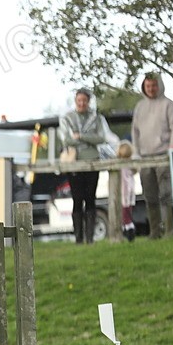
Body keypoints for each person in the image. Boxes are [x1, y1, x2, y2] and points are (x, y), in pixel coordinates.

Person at [131, 72, 173, 239]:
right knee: (149, 196)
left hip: (164, 156)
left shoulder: (169, 106)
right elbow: (135, 132)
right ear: (144, 87)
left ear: (159, 85)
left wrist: (172, 151)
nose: (151, 89)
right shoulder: (139, 107)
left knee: (167, 194)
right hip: (145, 158)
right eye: (148, 86)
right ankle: (154, 232)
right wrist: (136, 153)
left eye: (154, 85)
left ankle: (170, 231)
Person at [58, 88, 109, 244]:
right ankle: (79, 239)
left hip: (92, 161)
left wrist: (81, 136)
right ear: (75, 101)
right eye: (79, 100)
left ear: (88, 101)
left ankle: (90, 238)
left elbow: (101, 138)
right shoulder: (67, 118)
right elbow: (66, 139)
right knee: (77, 199)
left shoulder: (96, 118)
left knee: (90, 199)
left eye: (84, 101)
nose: (81, 103)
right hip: (74, 162)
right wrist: (88, 140)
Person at [117, 140, 138, 241]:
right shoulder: (131, 166)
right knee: (128, 211)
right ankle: (129, 227)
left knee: (125, 212)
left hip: (124, 191)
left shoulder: (122, 167)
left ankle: (128, 229)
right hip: (130, 191)